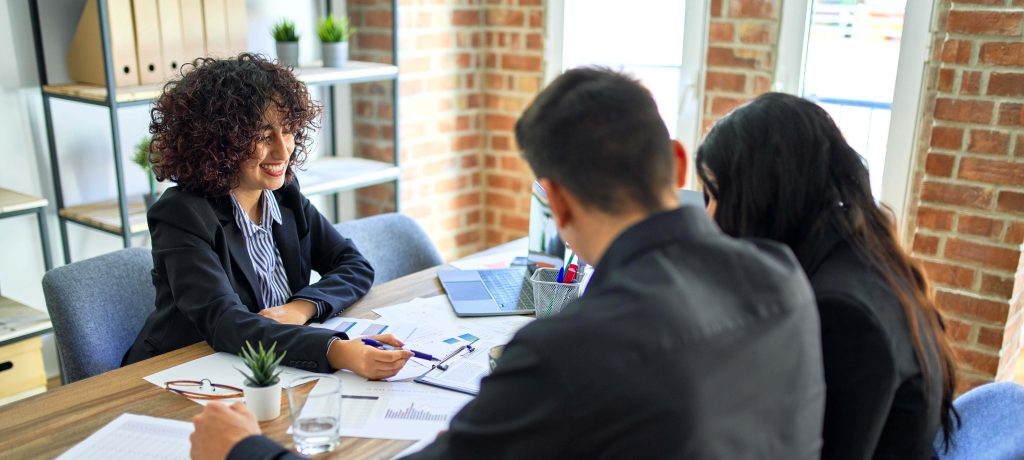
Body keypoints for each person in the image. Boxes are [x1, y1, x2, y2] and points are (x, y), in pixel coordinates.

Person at [190, 68, 827, 459]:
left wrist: (244, 450)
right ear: (680, 164)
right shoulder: (783, 277)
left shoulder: (569, 349)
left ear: (555, 202)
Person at [696, 92, 959, 459]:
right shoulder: (863, 260)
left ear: (763, 197)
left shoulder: (841, 314)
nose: (707, 218)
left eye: (713, 195)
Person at [123, 53, 412, 379]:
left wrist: (301, 308)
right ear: (220, 142)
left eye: (287, 130)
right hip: (180, 371)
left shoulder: (284, 196)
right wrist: (335, 350)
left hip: (266, 366)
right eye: (262, 135)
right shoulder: (181, 215)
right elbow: (225, 323)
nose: (283, 150)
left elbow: (354, 265)